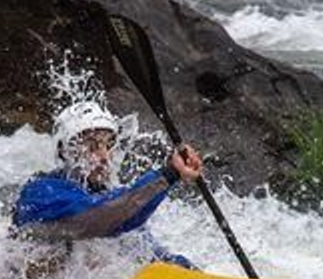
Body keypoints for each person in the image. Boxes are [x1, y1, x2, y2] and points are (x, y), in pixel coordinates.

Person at [12, 101, 202, 267]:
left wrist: (192, 274)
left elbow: (149, 256)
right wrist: (169, 174)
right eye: (91, 146)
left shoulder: (109, 195)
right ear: (64, 152)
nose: (104, 157)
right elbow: (98, 218)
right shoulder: (41, 192)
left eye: (109, 145)